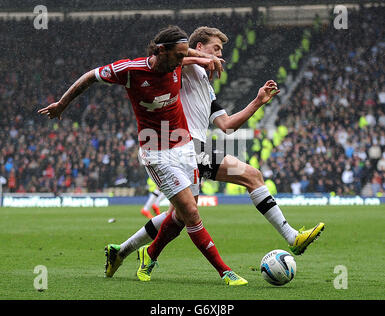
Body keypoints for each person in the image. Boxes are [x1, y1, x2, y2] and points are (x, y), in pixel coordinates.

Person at [104, 26, 325, 277]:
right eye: (216, 49)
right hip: (183, 147)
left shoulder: (206, 86)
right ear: (198, 48)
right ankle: (292, 237)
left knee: (176, 217)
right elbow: (171, 57)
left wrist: (257, 101)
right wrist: (202, 58)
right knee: (249, 177)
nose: (220, 55)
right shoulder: (182, 66)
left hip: (194, 149)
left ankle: (126, 251)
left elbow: (227, 125)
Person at [38, 25, 247, 286]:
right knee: (191, 213)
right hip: (157, 153)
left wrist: (208, 58)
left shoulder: (177, 63)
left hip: (184, 148)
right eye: (179, 55)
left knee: (181, 217)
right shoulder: (130, 70)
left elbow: (189, 56)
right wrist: (62, 104)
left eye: (186, 55)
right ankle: (225, 271)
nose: (183, 60)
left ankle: (122, 252)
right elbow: (89, 76)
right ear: (162, 51)